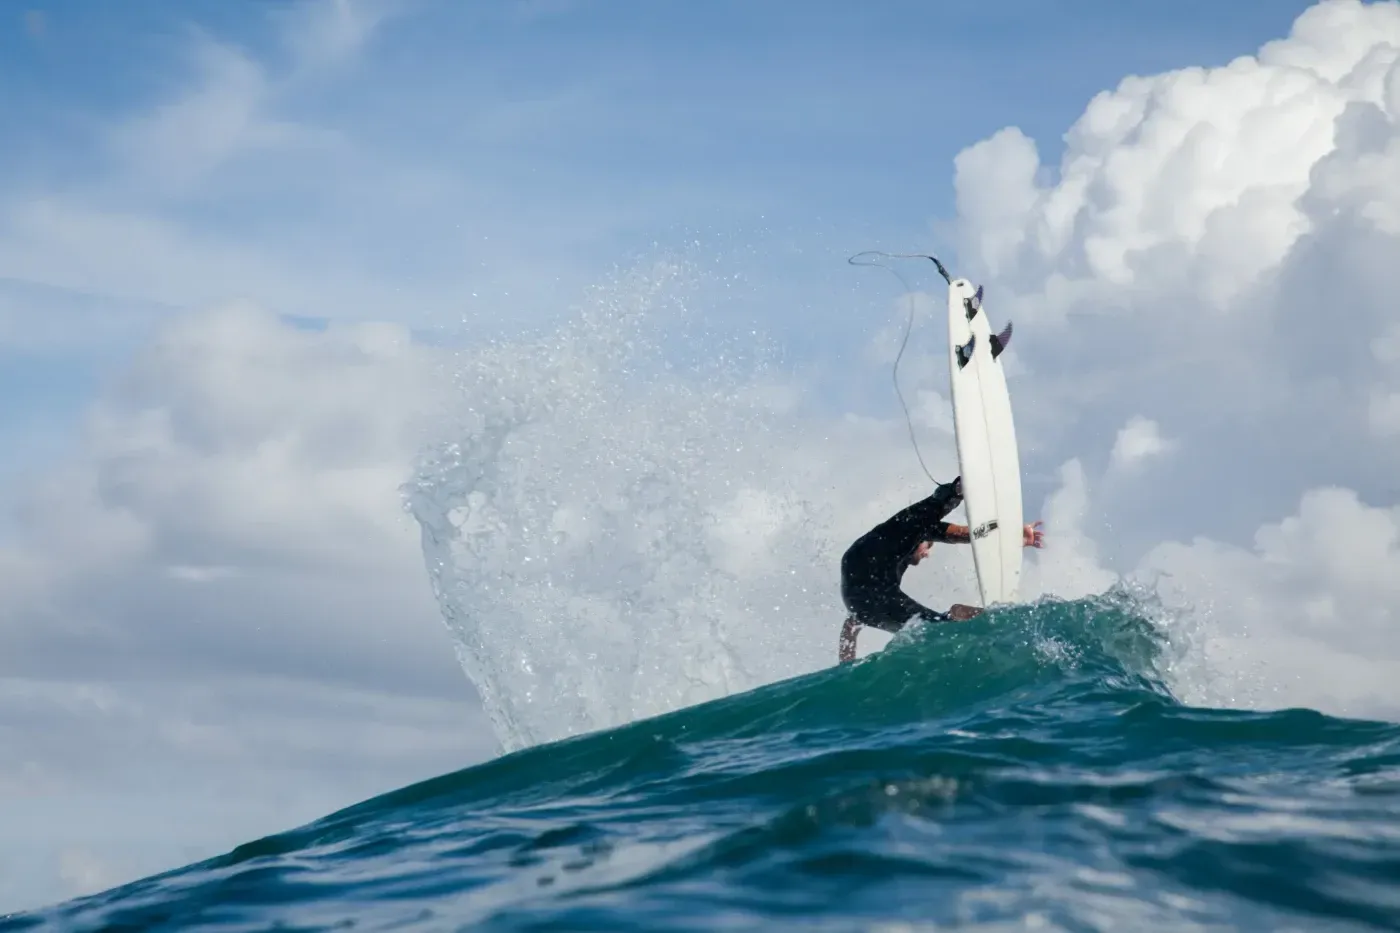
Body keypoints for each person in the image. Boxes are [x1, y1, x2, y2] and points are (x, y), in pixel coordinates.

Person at [837, 476, 1045, 663]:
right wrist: (1010, 532)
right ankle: (956, 489)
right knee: (922, 520)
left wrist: (845, 665)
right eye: (928, 546)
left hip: (862, 599)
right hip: (872, 569)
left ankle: (954, 615)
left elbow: (851, 624)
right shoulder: (911, 530)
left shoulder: (892, 562)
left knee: (936, 630)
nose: (927, 553)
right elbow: (966, 533)